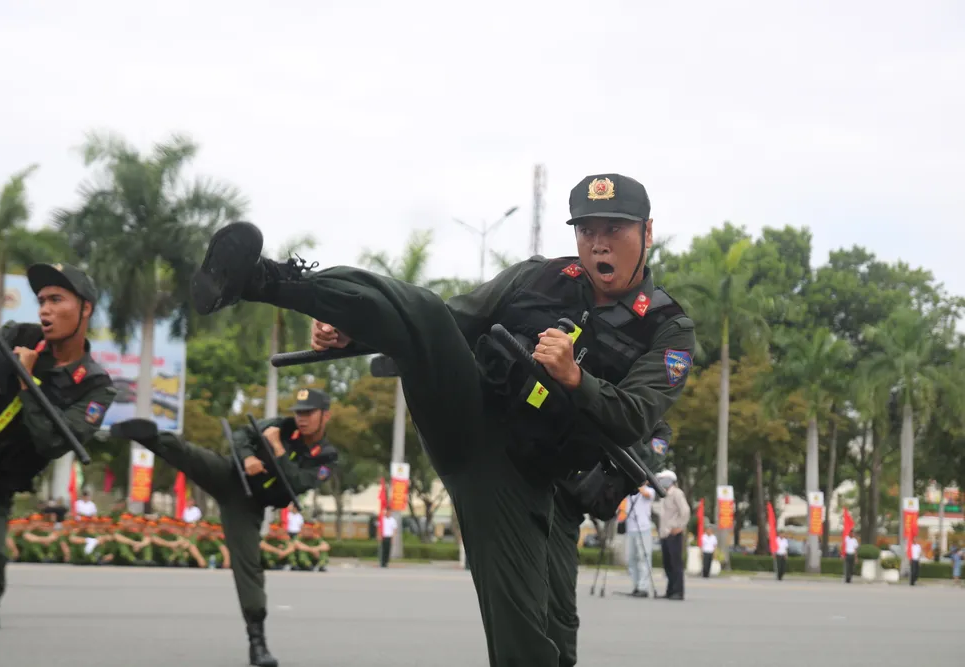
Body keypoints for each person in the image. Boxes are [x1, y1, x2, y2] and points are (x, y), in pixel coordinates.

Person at [187, 172, 696, 666]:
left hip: (530, 479)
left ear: (647, 233)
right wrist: (352, 333)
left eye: (615, 229)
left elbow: (634, 417)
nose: (599, 244)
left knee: (540, 640)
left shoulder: (667, 329)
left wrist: (572, 377)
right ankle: (263, 279)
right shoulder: (537, 276)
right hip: (469, 418)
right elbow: (444, 325)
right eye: (587, 230)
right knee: (426, 310)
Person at [110, 386, 339, 667]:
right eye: (299, 412)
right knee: (190, 455)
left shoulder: (326, 456)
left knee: (249, 567)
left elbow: (297, 483)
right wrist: (249, 457)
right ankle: (149, 436)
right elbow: (242, 435)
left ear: (325, 416)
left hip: (249, 504)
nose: (301, 418)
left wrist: (276, 448)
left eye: (309, 413)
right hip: (231, 474)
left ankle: (258, 643)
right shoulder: (282, 425)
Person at [0, 262, 116, 667]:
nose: (44, 310)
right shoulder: (17, 335)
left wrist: (26, 382)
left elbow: (52, 441)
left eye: (56, 300)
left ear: (84, 309)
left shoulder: (96, 385)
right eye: (41, 301)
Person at [546, 421, 672, 667]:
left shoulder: (655, 425)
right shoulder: (592, 392)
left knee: (560, 608)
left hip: (572, 506)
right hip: (549, 488)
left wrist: (623, 443)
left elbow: (651, 458)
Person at [654, 470, 690, 600]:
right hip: (665, 534)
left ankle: (678, 592)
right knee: (668, 564)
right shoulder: (664, 495)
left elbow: (685, 511)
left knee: (676, 564)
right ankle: (670, 591)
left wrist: (679, 526)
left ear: (669, 480)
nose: (660, 481)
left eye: (662, 479)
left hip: (673, 533)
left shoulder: (677, 493)